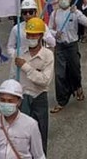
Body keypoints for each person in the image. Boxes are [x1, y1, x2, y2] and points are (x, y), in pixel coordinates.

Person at [14, 18, 54, 154]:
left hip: (39, 98)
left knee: (40, 133)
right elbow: (13, 76)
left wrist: (25, 66)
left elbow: (45, 80)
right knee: (22, 135)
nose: (31, 37)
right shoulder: (19, 52)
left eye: (34, 35)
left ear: (41, 36)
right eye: (29, 34)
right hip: (22, 98)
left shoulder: (48, 55)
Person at [0, 79, 45, 159]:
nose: (6, 104)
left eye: (10, 101)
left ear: (19, 102)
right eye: (3, 100)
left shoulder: (30, 125)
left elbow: (39, 155)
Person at [49, 0, 87, 114]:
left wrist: (77, 13)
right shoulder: (54, 13)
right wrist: (55, 33)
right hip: (60, 47)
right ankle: (61, 101)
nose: (63, 0)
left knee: (75, 71)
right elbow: (48, 28)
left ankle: (78, 87)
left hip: (72, 46)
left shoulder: (74, 13)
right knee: (59, 74)